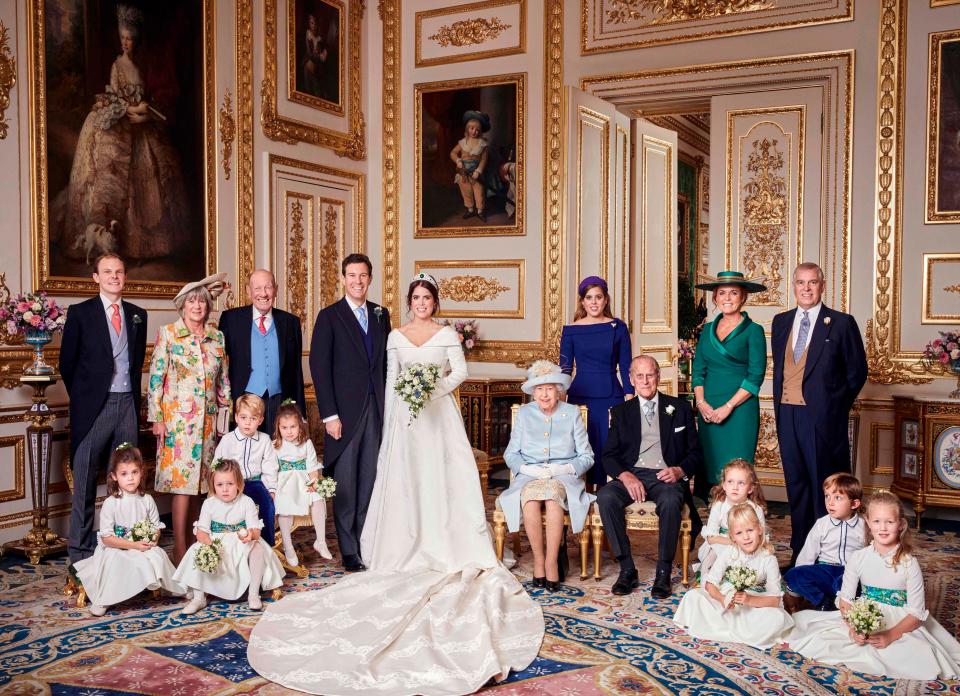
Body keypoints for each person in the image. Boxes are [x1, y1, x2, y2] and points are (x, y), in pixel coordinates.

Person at [248, 273, 544, 695]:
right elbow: (388, 381)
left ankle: (444, 540)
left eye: (427, 297)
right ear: (409, 302)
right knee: (407, 482)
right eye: (416, 297)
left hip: (439, 418)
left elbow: (459, 372)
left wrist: (431, 388)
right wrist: (398, 414)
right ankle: (405, 540)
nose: (421, 303)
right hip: (406, 421)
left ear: (434, 302)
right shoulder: (396, 335)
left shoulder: (445, 335)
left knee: (441, 480)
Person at [53, 4, 190, 263]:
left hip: (142, 126)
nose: (126, 43)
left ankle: (141, 244)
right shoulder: (117, 65)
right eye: (123, 38)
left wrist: (144, 111)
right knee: (110, 174)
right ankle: (105, 239)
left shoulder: (140, 67)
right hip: (122, 121)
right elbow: (116, 96)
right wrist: (131, 109)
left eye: (130, 39)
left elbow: (146, 95)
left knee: (149, 177)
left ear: (136, 41)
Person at [787, 491, 960, 679]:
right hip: (865, 614)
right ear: (868, 523)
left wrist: (890, 635)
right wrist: (854, 628)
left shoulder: (910, 563)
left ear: (901, 524)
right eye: (877, 521)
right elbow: (845, 600)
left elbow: (917, 613)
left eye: (890, 522)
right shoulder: (858, 558)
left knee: (917, 655)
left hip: (900, 620)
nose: (883, 528)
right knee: (822, 639)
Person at [772, 262, 868, 566]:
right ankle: (802, 556)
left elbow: (857, 372)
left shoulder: (841, 323)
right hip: (788, 414)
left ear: (822, 286)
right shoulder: (781, 321)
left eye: (812, 282)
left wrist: (833, 408)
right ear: (794, 285)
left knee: (823, 489)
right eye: (800, 282)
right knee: (797, 487)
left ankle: (828, 558)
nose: (806, 288)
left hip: (823, 421)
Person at [60, 253, 147, 565]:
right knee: (83, 481)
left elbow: (135, 364)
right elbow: (66, 363)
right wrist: (87, 398)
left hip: (127, 404)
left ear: (125, 276)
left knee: (128, 480)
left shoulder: (138, 314)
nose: (114, 276)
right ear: (95, 277)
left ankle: (127, 550)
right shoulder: (80, 313)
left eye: (119, 271)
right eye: (107, 272)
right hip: (94, 407)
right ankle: (80, 555)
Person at [309, 253, 391, 573]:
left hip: (376, 407)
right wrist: (329, 414)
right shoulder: (329, 316)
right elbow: (319, 366)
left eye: (363, 276)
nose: (357, 281)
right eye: (352, 275)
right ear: (343, 278)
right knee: (345, 482)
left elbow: (386, 363)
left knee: (369, 479)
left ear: (370, 279)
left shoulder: (381, 314)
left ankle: (365, 543)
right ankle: (348, 550)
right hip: (342, 413)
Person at [597, 355, 703, 599]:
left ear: (659, 377)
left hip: (665, 475)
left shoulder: (680, 408)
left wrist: (679, 470)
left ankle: (663, 572)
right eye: (640, 376)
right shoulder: (621, 412)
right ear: (632, 380)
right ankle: (627, 570)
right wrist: (625, 476)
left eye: (650, 375)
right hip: (632, 474)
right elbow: (609, 455)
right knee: (605, 497)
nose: (645, 381)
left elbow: (696, 453)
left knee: (670, 500)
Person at [148, 272, 231, 564]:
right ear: (183, 306)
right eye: (192, 301)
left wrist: (225, 418)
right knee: (182, 485)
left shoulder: (217, 337)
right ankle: (179, 548)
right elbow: (156, 378)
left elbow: (223, 382)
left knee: (202, 485)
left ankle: (198, 543)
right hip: (178, 424)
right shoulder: (169, 333)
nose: (197, 306)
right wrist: (156, 418)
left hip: (208, 424)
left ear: (208, 306)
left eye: (202, 301)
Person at [498, 360, 595, 591]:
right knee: (530, 500)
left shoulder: (572, 413)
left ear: (558, 390)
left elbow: (587, 457)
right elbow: (511, 454)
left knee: (552, 499)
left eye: (550, 388)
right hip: (529, 475)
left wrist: (561, 470)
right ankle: (538, 561)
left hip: (563, 476)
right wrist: (527, 470)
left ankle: (552, 563)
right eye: (539, 389)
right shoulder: (524, 413)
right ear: (533, 393)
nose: (544, 394)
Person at [73, 443, 185, 617]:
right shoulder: (111, 503)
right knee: (115, 560)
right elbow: (107, 538)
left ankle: (174, 589)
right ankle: (104, 599)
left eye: (134, 472)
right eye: (124, 474)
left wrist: (153, 539)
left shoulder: (146, 500)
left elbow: (156, 526)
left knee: (157, 556)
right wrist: (133, 545)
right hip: (117, 546)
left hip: (141, 544)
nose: (130, 478)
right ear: (114, 476)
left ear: (141, 472)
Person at [674, 503, 793, 649]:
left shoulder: (768, 559)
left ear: (760, 530)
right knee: (693, 597)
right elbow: (710, 583)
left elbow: (775, 600)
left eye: (750, 530)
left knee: (777, 618)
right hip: (727, 601)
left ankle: (727, 627)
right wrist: (722, 599)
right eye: (739, 533)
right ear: (732, 536)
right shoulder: (729, 552)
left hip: (755, 605)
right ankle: (733, 627)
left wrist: (749, 599)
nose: (746, 537)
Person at [691, 271, 767, 497]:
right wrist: (702, 403)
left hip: (739, 410)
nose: (727, 298)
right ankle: (716, 522)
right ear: (714, 298)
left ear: (743, 297)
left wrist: (728, 407)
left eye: (733, 293)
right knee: (711, 467)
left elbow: (755, 377)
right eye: (722, 293)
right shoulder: (706, 330)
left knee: (738, 469)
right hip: (709, 409)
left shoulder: (754, 331)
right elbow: (698, 371)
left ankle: (741, 524)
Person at [175, 459, 285, 614]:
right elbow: (201, 531)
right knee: (197, 549)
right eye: (220, 485)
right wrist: (208, 545)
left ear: (239, 484)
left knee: (258, 548)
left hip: (240, 542)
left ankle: (253, 594)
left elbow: (256, 530)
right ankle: (199, 598)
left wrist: (250, 535)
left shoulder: (247, 502)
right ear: (213, 485)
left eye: (230, 484)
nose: (225, 489)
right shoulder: (209, 504)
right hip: (216, 541)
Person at [559, 275, 634, 487]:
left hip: (612, 396)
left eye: (598, 297)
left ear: (606, 300)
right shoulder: (571, 330)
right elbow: (565, 369)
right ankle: (580, 493)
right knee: (582, 444)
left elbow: (626, 365)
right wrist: (561, 403)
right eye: (589, 298)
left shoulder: (618, 327)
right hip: (580, 396)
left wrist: (629, 399)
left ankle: (609, 494)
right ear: (582, 302)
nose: (594, 302)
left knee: (608, 446)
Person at [218, 269, 306, 436]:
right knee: (246, 455)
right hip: (244, 401)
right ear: (248, 291)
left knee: (277, 453)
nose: (263, 293)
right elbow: (217, 362)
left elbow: (296, 372)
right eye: (257, 288)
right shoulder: (231, 319)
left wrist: (301, 413)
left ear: (276, 290)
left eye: (268, 287)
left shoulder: (291, 322)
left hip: (279, 400)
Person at [784, 473, 865, 613]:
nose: (830, 502)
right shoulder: (822, 524)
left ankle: (842, 603)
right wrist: (798, 585)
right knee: (793, 575)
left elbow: (871, 553)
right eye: (827, 496)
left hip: (849, 572)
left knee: (846, 582)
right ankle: (823, 601)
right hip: (824, 571)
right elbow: (808, 553)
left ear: (854, 504)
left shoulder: (864, 526)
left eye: (837, 498)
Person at [213, 394, 279, 547]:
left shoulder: (264, 440)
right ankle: (230, 543)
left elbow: (270, 466)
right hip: (233, 483)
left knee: (267, 505)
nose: (247, 423)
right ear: (236, 417)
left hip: (255, 483)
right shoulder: (228, 439)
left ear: (260, 420)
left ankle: (266, 545)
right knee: (230, 510)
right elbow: (217, 465)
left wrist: (271, 489)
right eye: (243, 417)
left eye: (253, 419)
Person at [272, 399, 331, 566]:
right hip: (284, 482)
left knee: (318, 499)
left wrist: (314, 482)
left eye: (293, 427)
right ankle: (288, 545)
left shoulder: (306, 443)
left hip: (303, 480)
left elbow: (312, 465)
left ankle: (320, 541)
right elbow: (272, 470)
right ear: (278, 428)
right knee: (284, 507)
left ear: (300, 426)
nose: (289, 432)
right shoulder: (275, 445)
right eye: (284, 428)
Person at [697, 458, 766, 578]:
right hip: (721, 542)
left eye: (741, 483)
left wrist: (744, 544)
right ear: (724, 485)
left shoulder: (755, 509)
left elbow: (762, 537)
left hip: (747, 543)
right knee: (712, 558)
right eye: (730, 482)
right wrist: (732, 542)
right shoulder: (719, 505)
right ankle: (707, 581)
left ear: (750, 488)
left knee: (754, 567)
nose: (735, 487)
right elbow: (711, 538)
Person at [450, 110, 491, 221]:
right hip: (463, 172)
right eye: (472, 128)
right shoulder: (463, 142)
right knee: (466, 191)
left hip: (476, 173)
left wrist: (478, 171)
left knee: (479, 192)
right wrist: (458, 160)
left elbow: (483, 159)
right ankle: (470, 210)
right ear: (467, 129)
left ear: (481, 131)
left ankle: (480, 211)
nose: (474, 132)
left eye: (477, 130)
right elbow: (453, 153)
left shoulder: (483, 144)